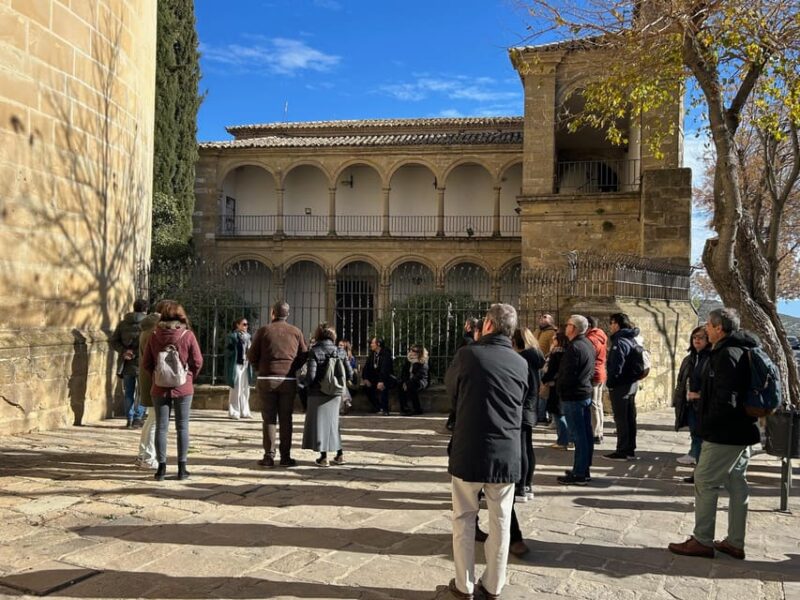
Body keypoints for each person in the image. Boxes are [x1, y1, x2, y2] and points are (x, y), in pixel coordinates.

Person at [445, 303, 528, 600]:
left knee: (464, 518)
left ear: (489, 325)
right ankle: (494, 585)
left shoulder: (468, 355)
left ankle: (464, 586)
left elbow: (451, 393)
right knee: (501, 521)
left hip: (470, 448)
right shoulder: (521, 363)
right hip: (506, 452)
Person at [668, 308, 760, 560]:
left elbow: (725, 398)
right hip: (743, 430)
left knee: (704, 480)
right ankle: (734, 542)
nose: (706, 328)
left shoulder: (725, 354)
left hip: (725, 433)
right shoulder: (742, 349)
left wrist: (708, 426)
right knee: (736, 482)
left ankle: (702, 540)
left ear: (719, 328)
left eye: (709, 325)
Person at [141, 301, 203, 481]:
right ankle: (182, 469)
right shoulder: (187, 335)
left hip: (159, 388)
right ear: (181, 316)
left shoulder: (154, 335)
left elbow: (146, 363)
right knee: (182, 426)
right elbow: (198, 361)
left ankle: (161, 469)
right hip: (183, 387)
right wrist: (189, 376)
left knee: (161, 427)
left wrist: (156, 377)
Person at [248, 300, 307, 468]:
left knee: (269, 418)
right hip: (287, 380)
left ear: (272, 313)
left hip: (266, 379)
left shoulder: (264, 331)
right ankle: (286, 457)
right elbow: (304, 354)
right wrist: (292, 367)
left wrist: (260, 368)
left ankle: (268, 456)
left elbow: (252, 355)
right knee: (286, 418)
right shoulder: (296, 332)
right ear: (287, 314)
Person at [302, 323, 353, 466]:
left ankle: (323, 457)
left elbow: (311, 376)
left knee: (320, 425)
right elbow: (349, 374)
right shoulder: (341, 351)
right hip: (336, 393)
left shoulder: (315, 351)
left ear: (318, 335)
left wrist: (302, 382)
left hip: (317, 393)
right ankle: (340, 454)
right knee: (334, 424)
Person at [556, 315, 595, 485]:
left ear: (574, 328)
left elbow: (567, 374)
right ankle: (583, 469)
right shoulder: (586, 344)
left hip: (574, 396)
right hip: (583, 393)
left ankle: (580, 473)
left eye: (568, 324)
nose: (565, 327)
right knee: (585, 435)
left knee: (579, 436)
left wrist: (560, 389)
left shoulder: (575, 347)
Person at [133, 299, 170, 470]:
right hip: (156, 379)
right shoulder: (156, 331)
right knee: (155, 420)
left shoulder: (148, 328)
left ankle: (144, 454)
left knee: (152, 419)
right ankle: (147, 456)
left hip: (150, 378)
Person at [673, 326, 711, 483]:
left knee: (703, 438)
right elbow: (682, 381)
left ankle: (700, 473)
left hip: (703, 405)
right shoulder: (690, 358)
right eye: (695, 337)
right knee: (695, 433)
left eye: (701, 337)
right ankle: (694, 456)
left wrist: (700, 395)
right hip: (690, 403)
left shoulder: (710, 358)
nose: (697, 340)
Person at [511, 327, 544, 503]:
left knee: (521, 448)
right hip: (531, 406)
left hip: (522, 407)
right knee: (528, 447)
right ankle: (528, 484)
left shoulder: (522, 359)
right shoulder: (536, 357)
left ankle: (520, 487)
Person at [605, 312, 641, 461]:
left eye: (612, 323)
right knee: (629, 417)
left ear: (617, 324)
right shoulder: (632, 339)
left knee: (621, 419)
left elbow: (616, 366)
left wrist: (611, 383)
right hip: (631, 383)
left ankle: (622, 450)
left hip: (621, 385)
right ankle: (629, 449)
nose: (610, 326)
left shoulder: (620, 341)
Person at [110, 298, 148, 428]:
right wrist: (136, 353)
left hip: (126, 362)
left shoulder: (122, 323)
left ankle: (129, 418)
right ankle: (138, 417)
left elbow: (114, 341)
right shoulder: (147, 324)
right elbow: (148, 343)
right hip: (143, 362)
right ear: (145, 309)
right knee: (143, 392)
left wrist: (124, 351)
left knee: (128, 392)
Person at [447, 319, 478, 431]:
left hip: (462, 370)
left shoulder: (467, 339)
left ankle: (453, 421)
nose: (464, 326)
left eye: (466, 324)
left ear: (469, 326)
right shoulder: (469, 339)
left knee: (458, 398)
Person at [541, 329, 570, 450]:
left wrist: (544, 381)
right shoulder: (567, 352)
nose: (552, 340)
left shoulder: (556, 353)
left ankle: (563, 441)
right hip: (563, 385)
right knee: (562, 413)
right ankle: (568, 439)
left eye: (554, 338)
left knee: (558, 414)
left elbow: (551, 370)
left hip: (555, 386)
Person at [585, 316, 608, 444]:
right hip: (601, 372)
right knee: (598, 404)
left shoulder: (591, 339)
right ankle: (599, 431)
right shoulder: (601, 335)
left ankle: (595, 433)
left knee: (593, 404)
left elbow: (589, 357)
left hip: (594, 373)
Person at [224, 317, 253, 419]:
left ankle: (245, 411)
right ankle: (234, 412)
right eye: (244, 324)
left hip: (246, 364)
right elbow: (227, 351)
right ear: (237, 325)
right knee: (236, 388)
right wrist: (234, 351)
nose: (246, 326)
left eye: (247, 324)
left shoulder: (248, 337)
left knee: (245, 388)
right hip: (236, 364)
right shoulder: (232, 337)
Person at [534, 313, 557, 423]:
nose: (541, 319)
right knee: (537, 390)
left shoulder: (552, 332)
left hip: (544, 365)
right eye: (541, 317)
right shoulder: (537, 331)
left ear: (551, 321)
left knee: (544, 392)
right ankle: (539, 414)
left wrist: (545, 358)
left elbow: (552, 349)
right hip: (535, 365)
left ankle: (543, 415)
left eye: (545, 317)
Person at [362, 337, 394, 415]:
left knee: (384, 386)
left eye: (372, 343)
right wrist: (365, 378)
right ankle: (378, 407)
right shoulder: (372, 354)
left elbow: (385, 369)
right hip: (375, 378)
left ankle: (385, 409)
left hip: (386, 378)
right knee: (366, 387)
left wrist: (381, 381)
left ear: (378, 344)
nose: (371, 345)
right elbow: (366, 367)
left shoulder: (386, 354)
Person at [398, 344, 429, 415]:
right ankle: (404, 407)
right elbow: (404, 373)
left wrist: (408, 383)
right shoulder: (408, 360)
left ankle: (417, 408)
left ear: (419, 353)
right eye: (411, 350)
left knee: (411, 386)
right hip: (409, 380)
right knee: (400, 384)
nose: (411, 352)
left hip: (420, 381)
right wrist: (405, 382)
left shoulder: (423, 362)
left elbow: (419, 375)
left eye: (414, 351)